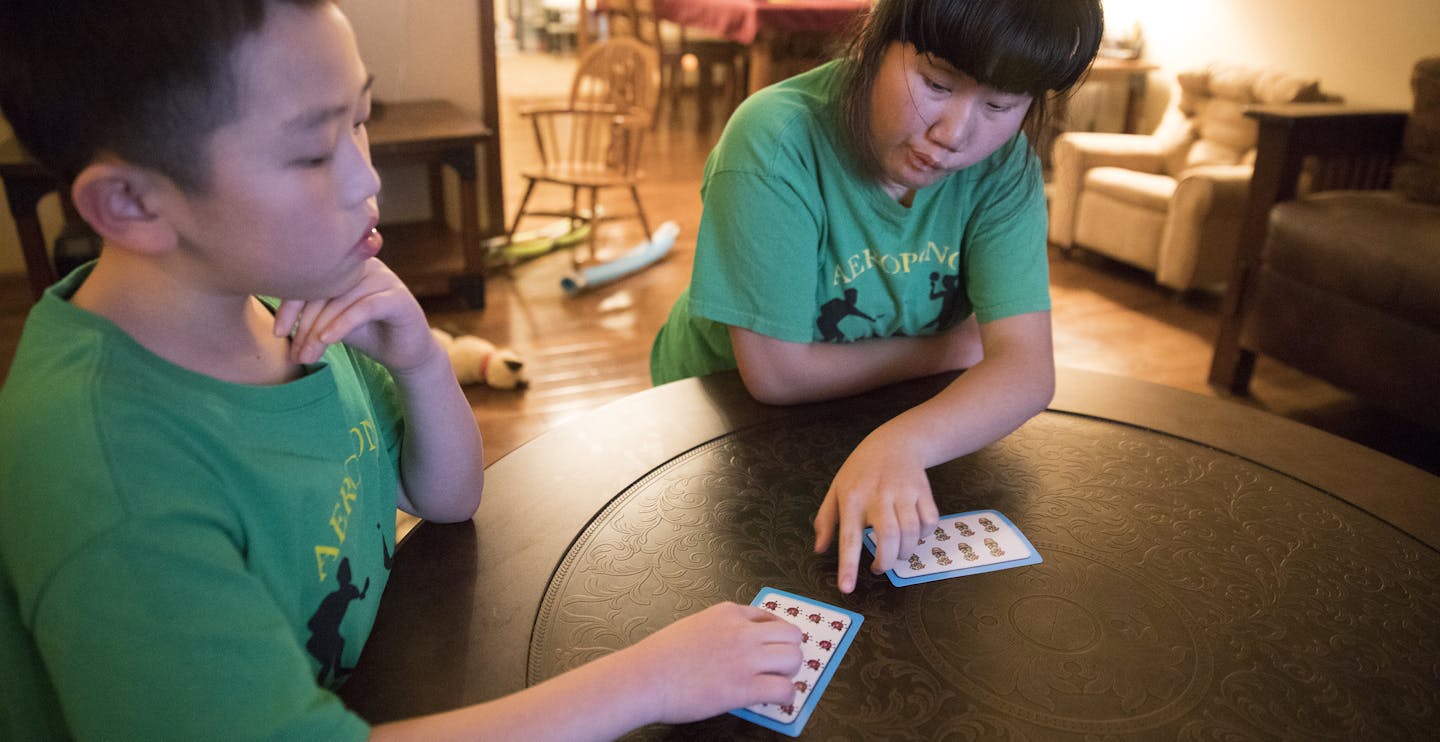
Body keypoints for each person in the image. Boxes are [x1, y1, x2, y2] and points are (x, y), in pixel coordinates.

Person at [0, 2, 802, 739]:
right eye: (314, 151)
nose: (367, 178)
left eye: (361, 119)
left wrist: (420, 359)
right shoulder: (108, 478)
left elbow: (447, 496)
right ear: (133, 204)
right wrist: (651, 680)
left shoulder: (287, 295)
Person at [651, 0, 1104, 594]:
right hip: (724, 413)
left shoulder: (1002, 167)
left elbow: (1026, 370)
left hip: (882, 416)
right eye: (937, 84)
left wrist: (905, 440)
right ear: (876, 40)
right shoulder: (775, 138)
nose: (954, 135)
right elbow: (776, 375)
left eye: (999, 105)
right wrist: (951, 348)